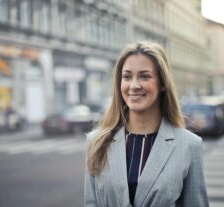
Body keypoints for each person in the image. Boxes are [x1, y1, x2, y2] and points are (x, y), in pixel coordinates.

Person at [84, 41, 209, 207]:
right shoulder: (97, 142)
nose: (134, 85)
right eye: (127, 76)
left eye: (145, 76)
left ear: (163, 83)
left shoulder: (189, 145)